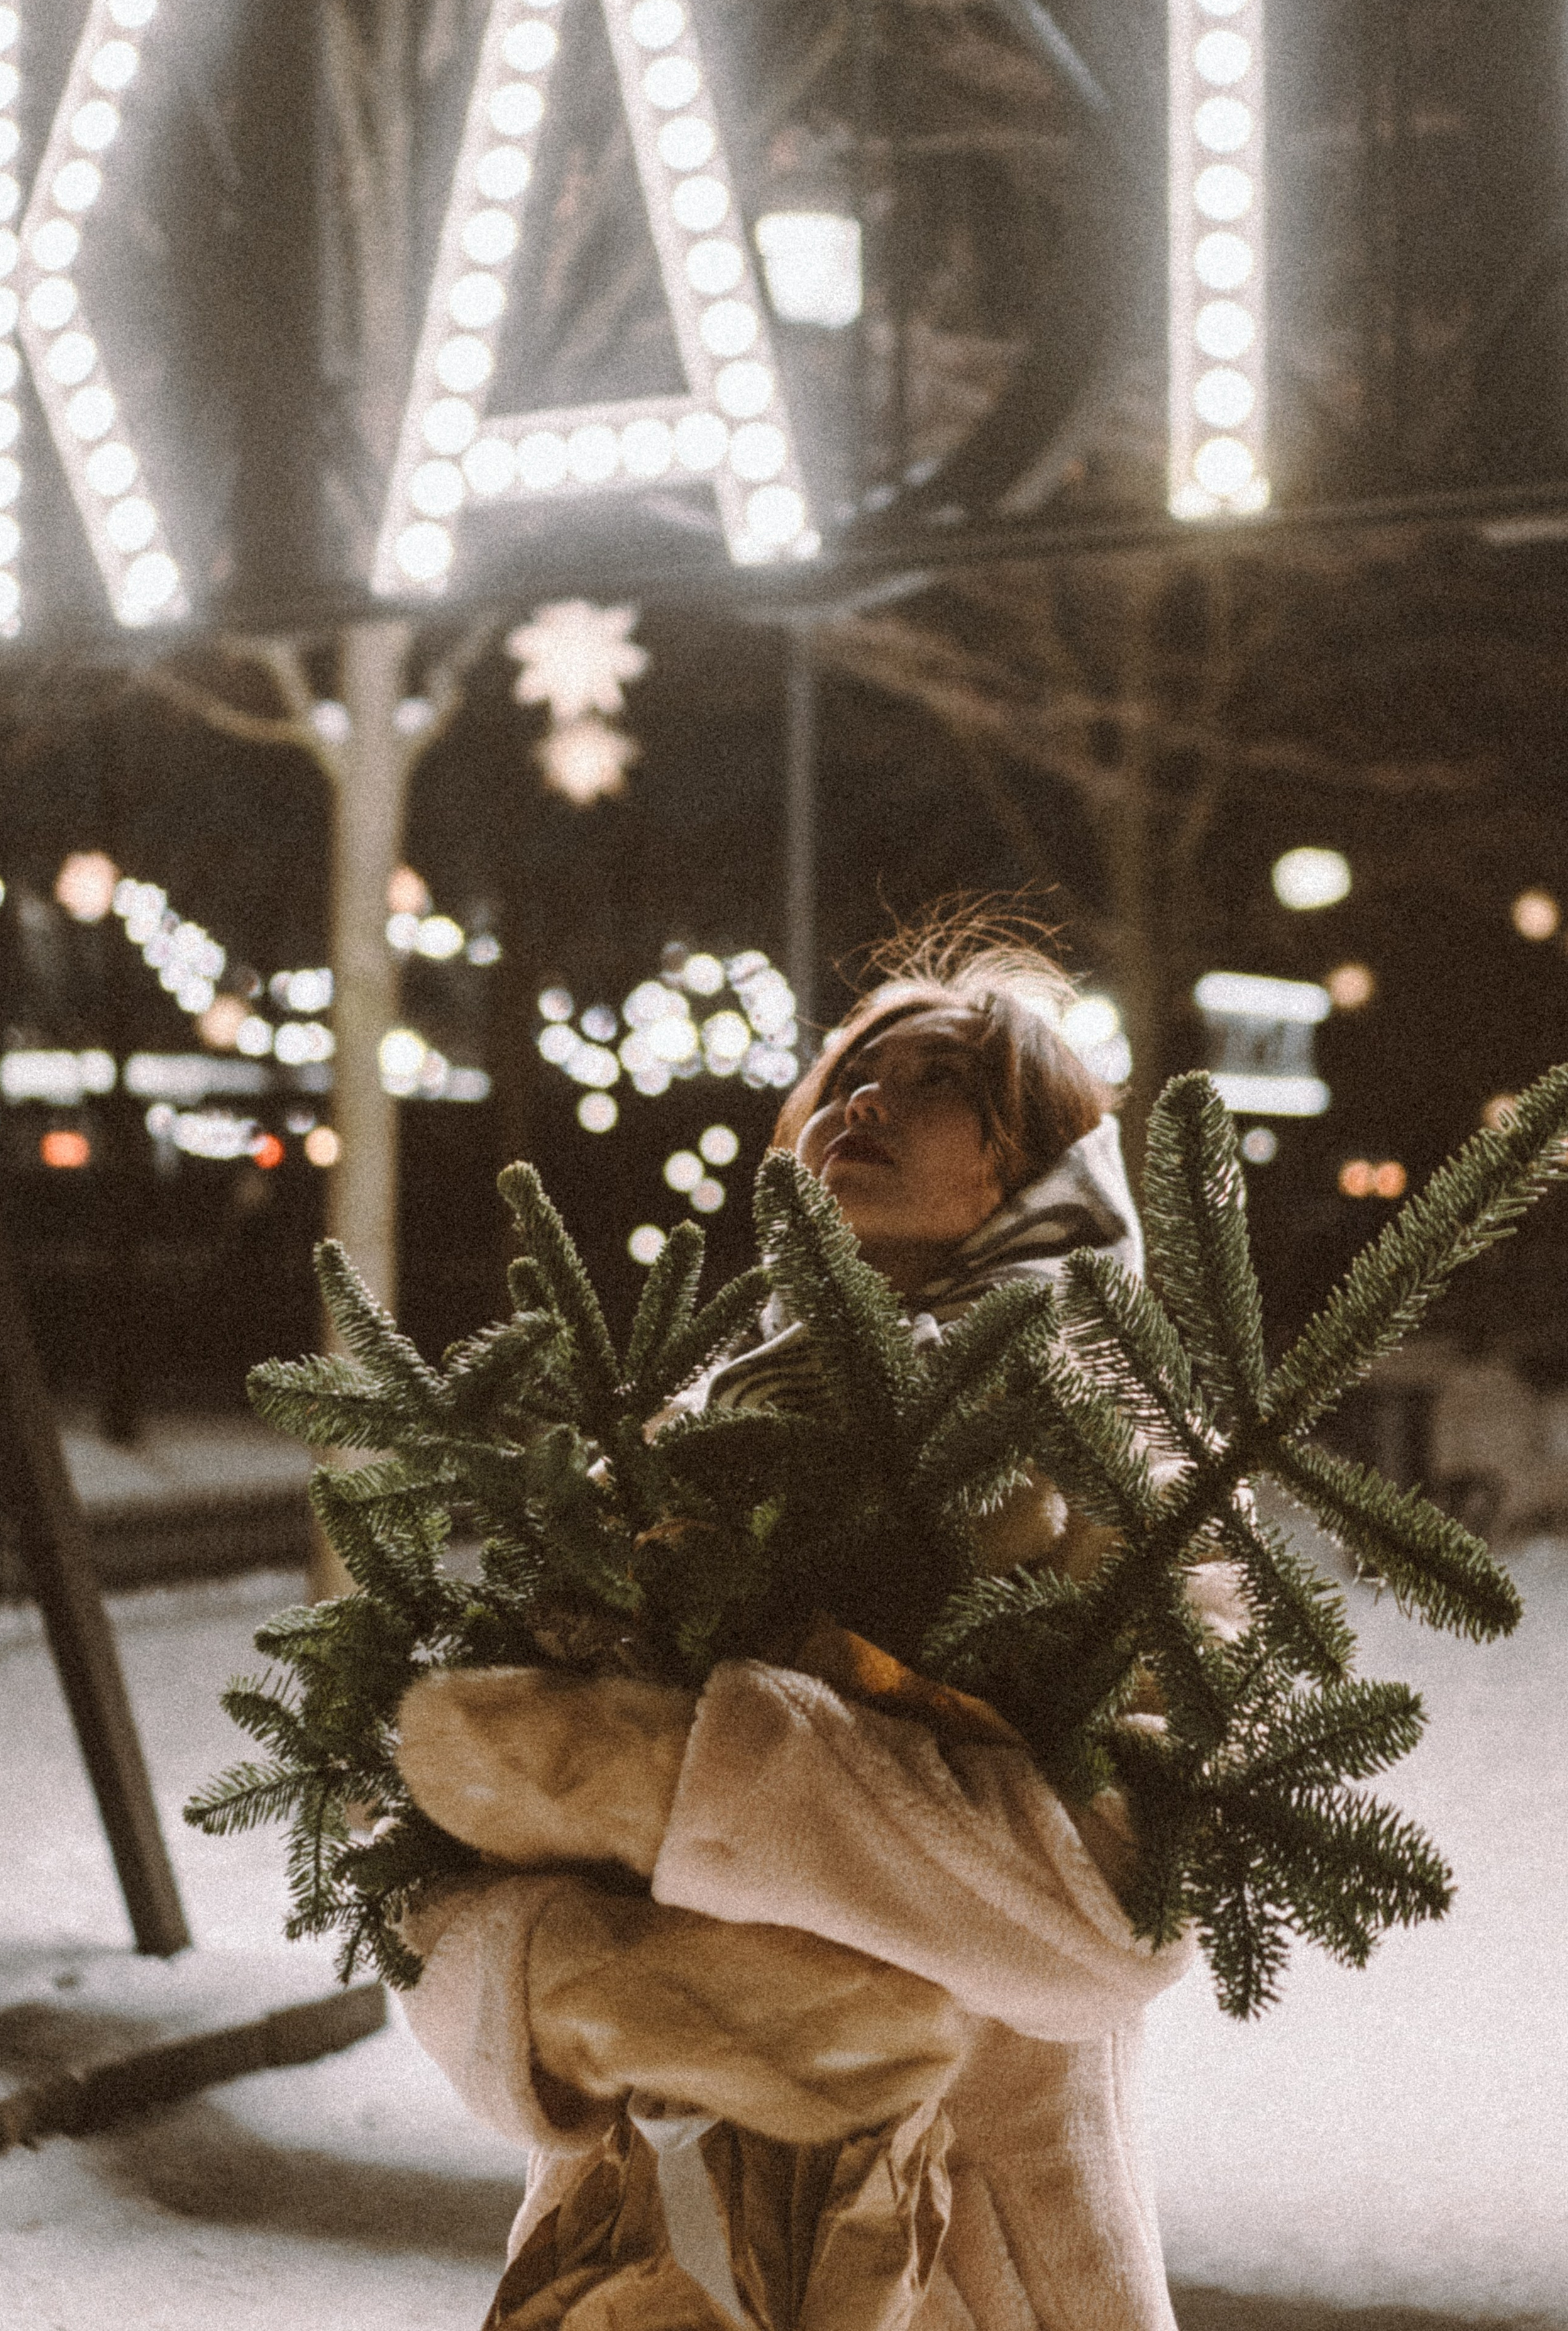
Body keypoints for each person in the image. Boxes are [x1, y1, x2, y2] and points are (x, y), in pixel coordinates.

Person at [395, 927, 1240, 2331]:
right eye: (849, 1079)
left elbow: (1131, 1909)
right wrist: (583, 1985)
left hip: (966, 2265)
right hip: (634, 2250)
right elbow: (436, 1847)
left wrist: (692, 1781)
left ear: (1046, 1162)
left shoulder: (1115, 1458)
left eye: (939, 1080)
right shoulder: (680, 1452)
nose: (866, 1102)